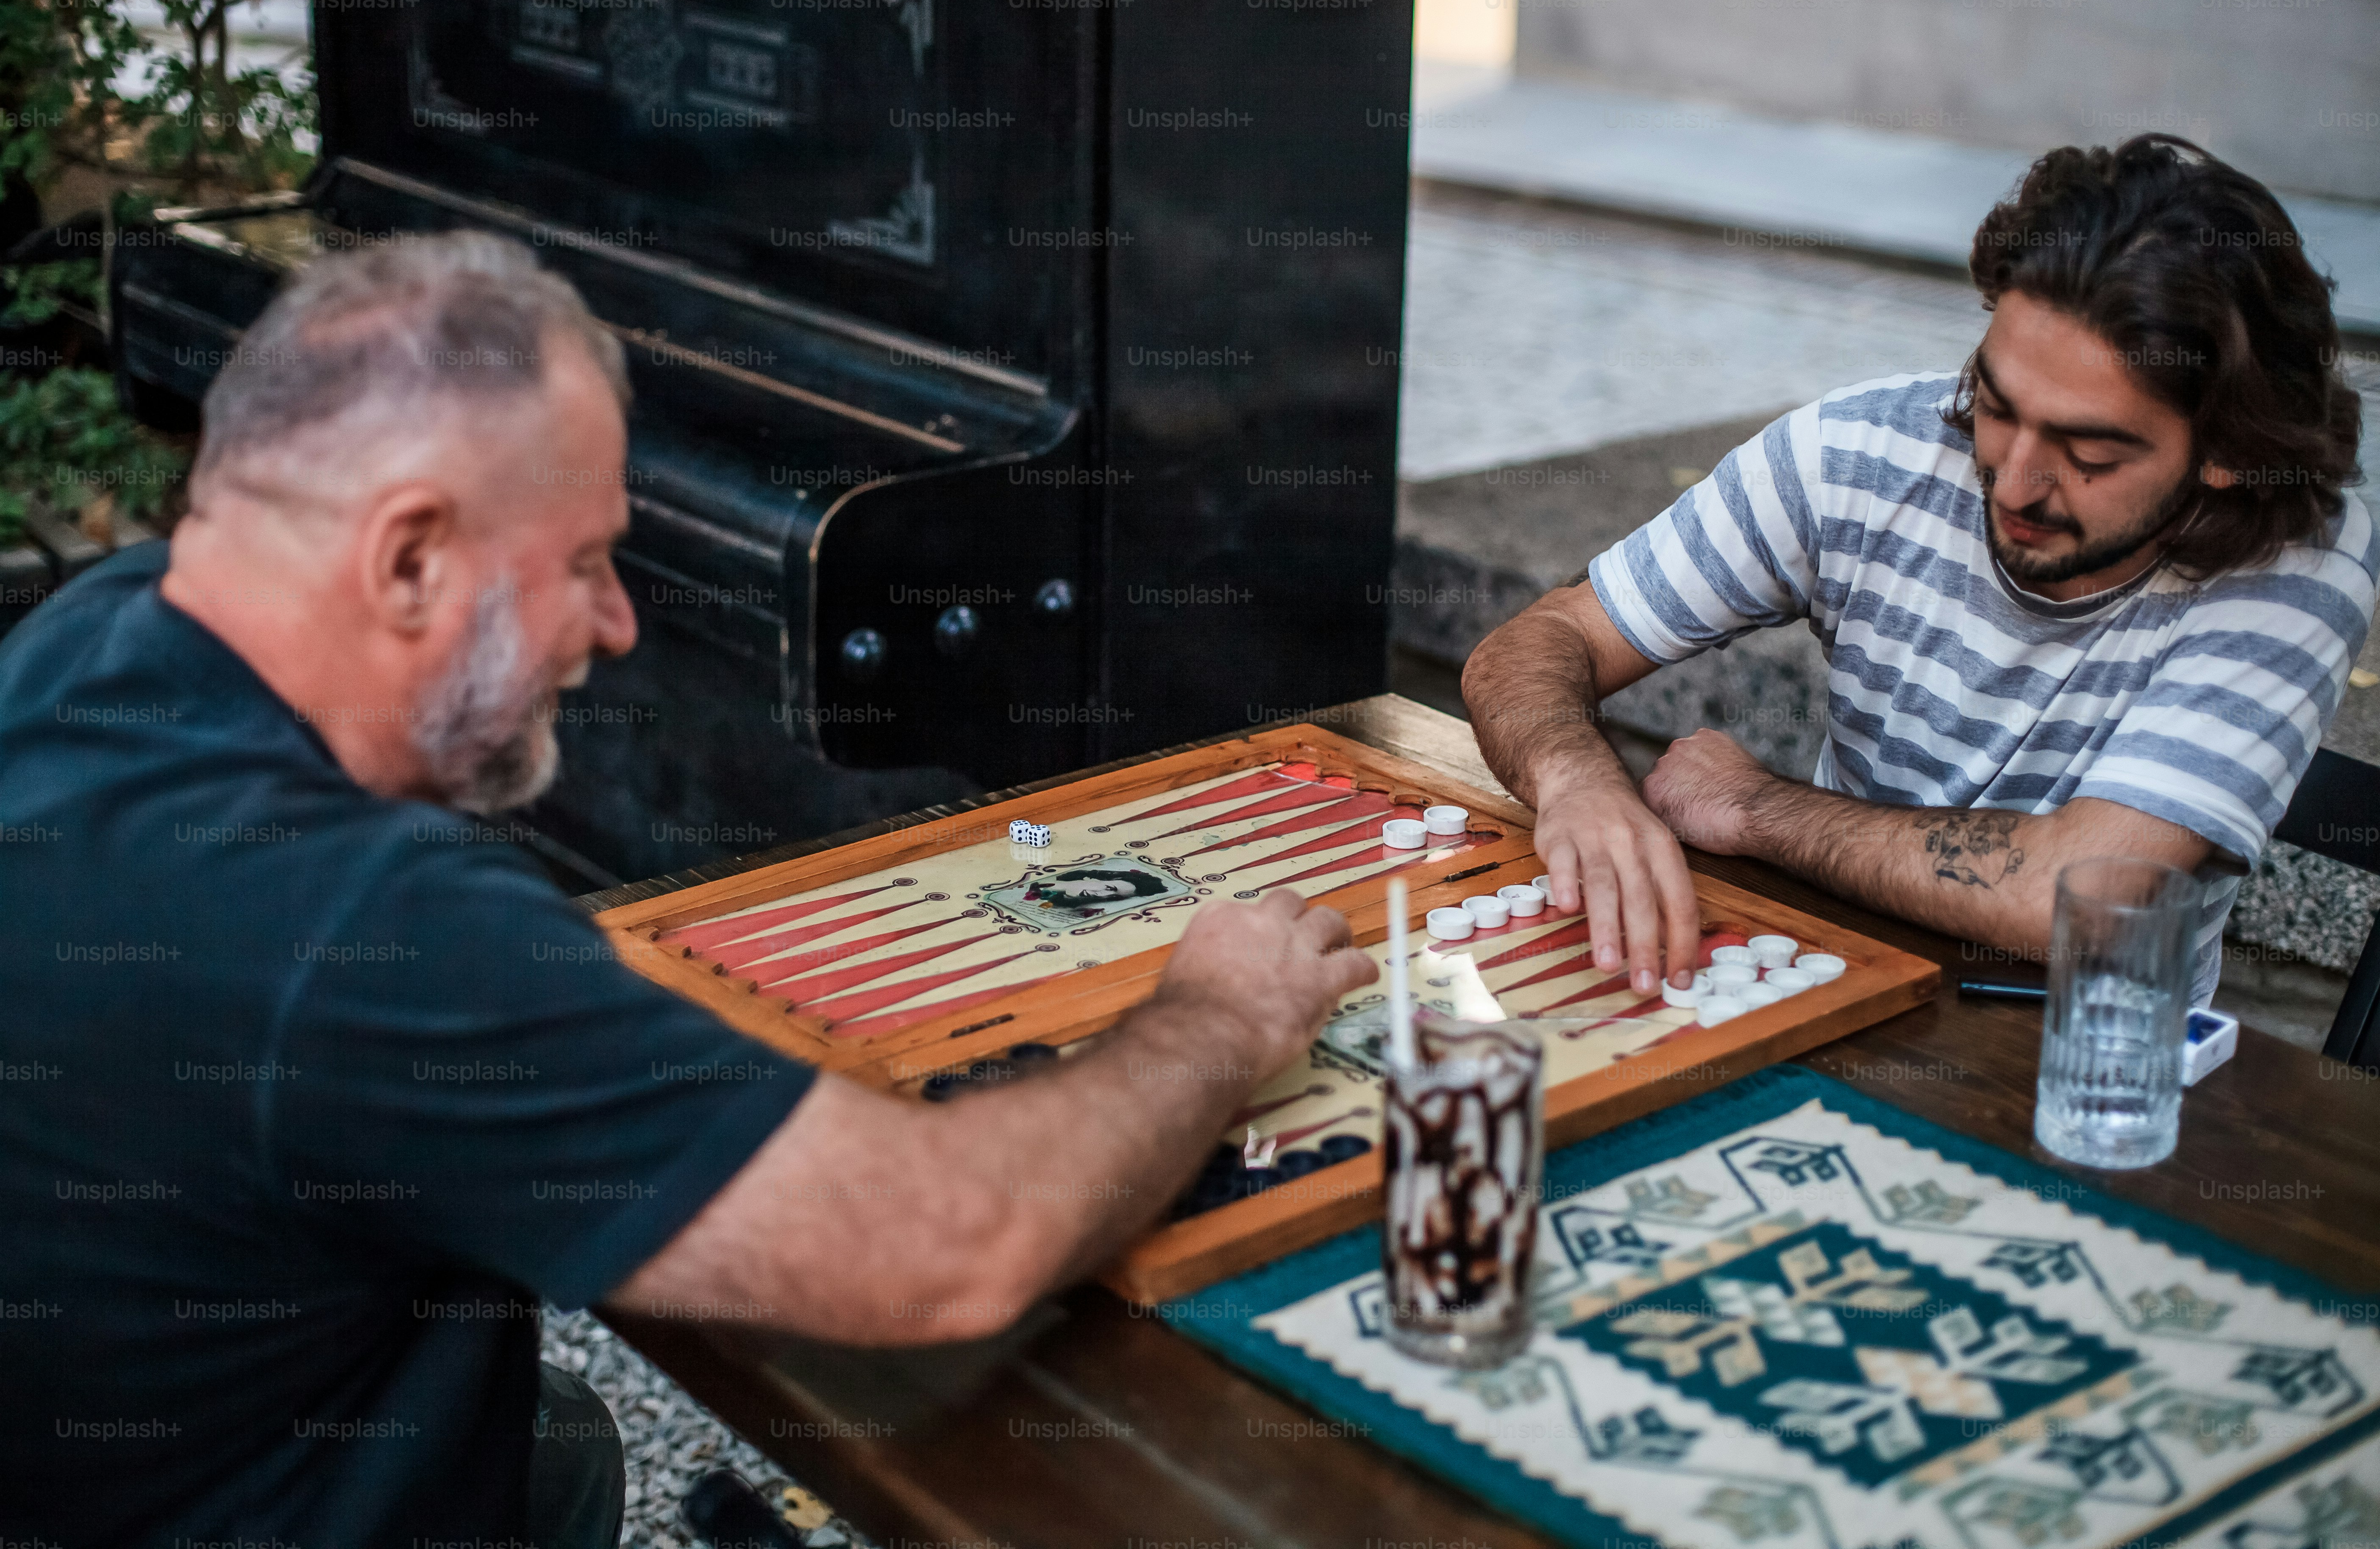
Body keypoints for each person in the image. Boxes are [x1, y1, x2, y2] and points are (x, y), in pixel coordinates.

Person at [0, 231, 1374, 1543]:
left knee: (559, 1439)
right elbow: (957, 1246)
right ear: (408, 557)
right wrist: (1218, 1011)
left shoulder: (87, 632)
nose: (619, 624)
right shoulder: (360, 930)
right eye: (587, 562)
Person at [1464, 135, 2376, 1006]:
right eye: (1996, 404)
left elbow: (2084, 896)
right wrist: (1577, 782)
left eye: (2090, 453)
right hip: (1818, 978)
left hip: (2088, 1075)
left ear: (2225, 451)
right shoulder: (1859, 449)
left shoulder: (2298, 550)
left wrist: (1759, 810)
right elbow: (1541, 642)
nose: (2014, 481)